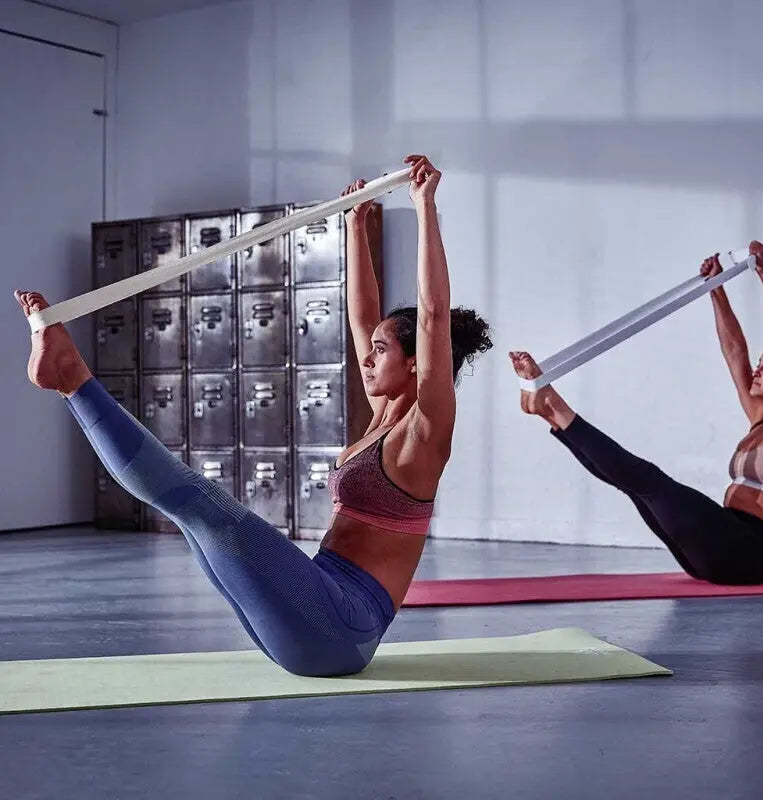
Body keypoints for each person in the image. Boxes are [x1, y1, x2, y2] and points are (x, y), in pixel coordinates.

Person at [15, 154, 492, 676]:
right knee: (189, 515)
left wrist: (424, 206)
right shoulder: (381, 416)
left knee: (201, 503)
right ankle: (68, 378)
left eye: (381, 350)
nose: (368, 356)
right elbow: (360, 313)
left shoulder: (424, 433)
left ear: (417, 362)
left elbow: (433, 316)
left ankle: (71, 378)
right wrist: (356, 225)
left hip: (339, 627)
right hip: (314, 616)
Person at [509, 241, 763, 585]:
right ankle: (552, 416)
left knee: (649, 480)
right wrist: (715, 290)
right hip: (714, 546)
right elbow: (735, 351)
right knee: (633, 485)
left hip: (747, 555)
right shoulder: (761, 417)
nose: (757, 371)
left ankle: (554, 405)